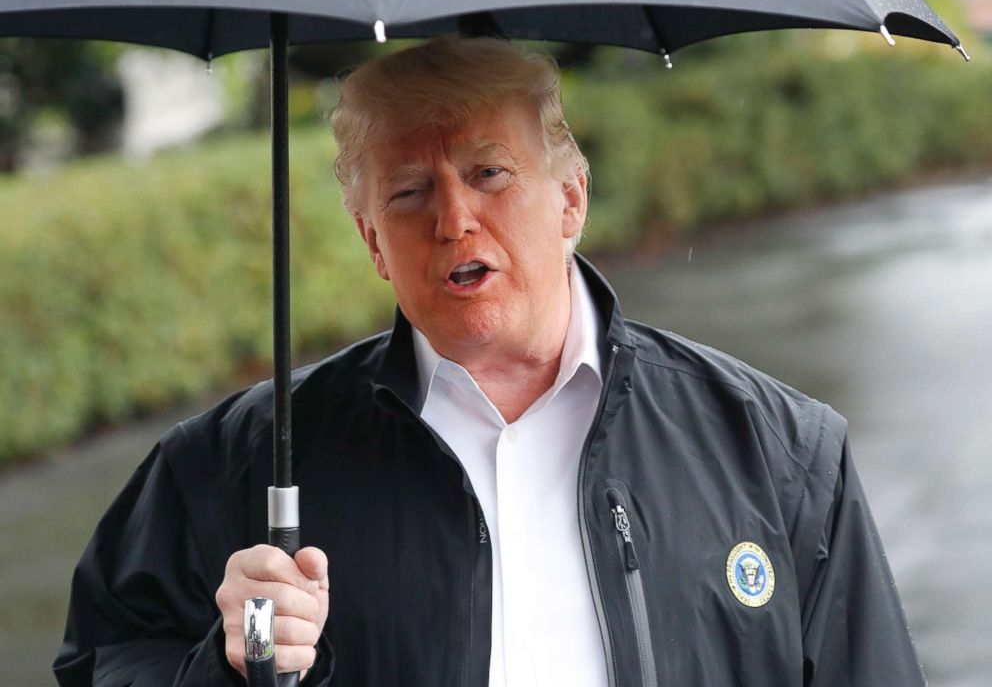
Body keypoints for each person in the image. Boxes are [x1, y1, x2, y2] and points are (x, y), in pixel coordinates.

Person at [54, 36, 925, 686]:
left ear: (571, 198)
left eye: (490, 173)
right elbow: (105, 660)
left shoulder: (779, 452)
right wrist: (234, 664)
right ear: (371, 242)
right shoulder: (238, 465)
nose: (454, 219)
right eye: (409, 192)